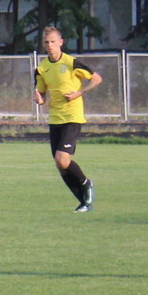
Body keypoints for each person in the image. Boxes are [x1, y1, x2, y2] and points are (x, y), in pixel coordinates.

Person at [33, 25, 102, 212]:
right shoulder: (41, 68)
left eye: (53, 42)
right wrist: (39, 98)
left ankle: (86, 184)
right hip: (55, 118)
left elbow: (96, 79)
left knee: (62, 159)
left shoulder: (72, 63)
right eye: (46, 42)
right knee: (60, 165)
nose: (50, 45)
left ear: (61, 42)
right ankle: (83, 202)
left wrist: (80, 92)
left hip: (72, 116)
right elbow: (41, 93)